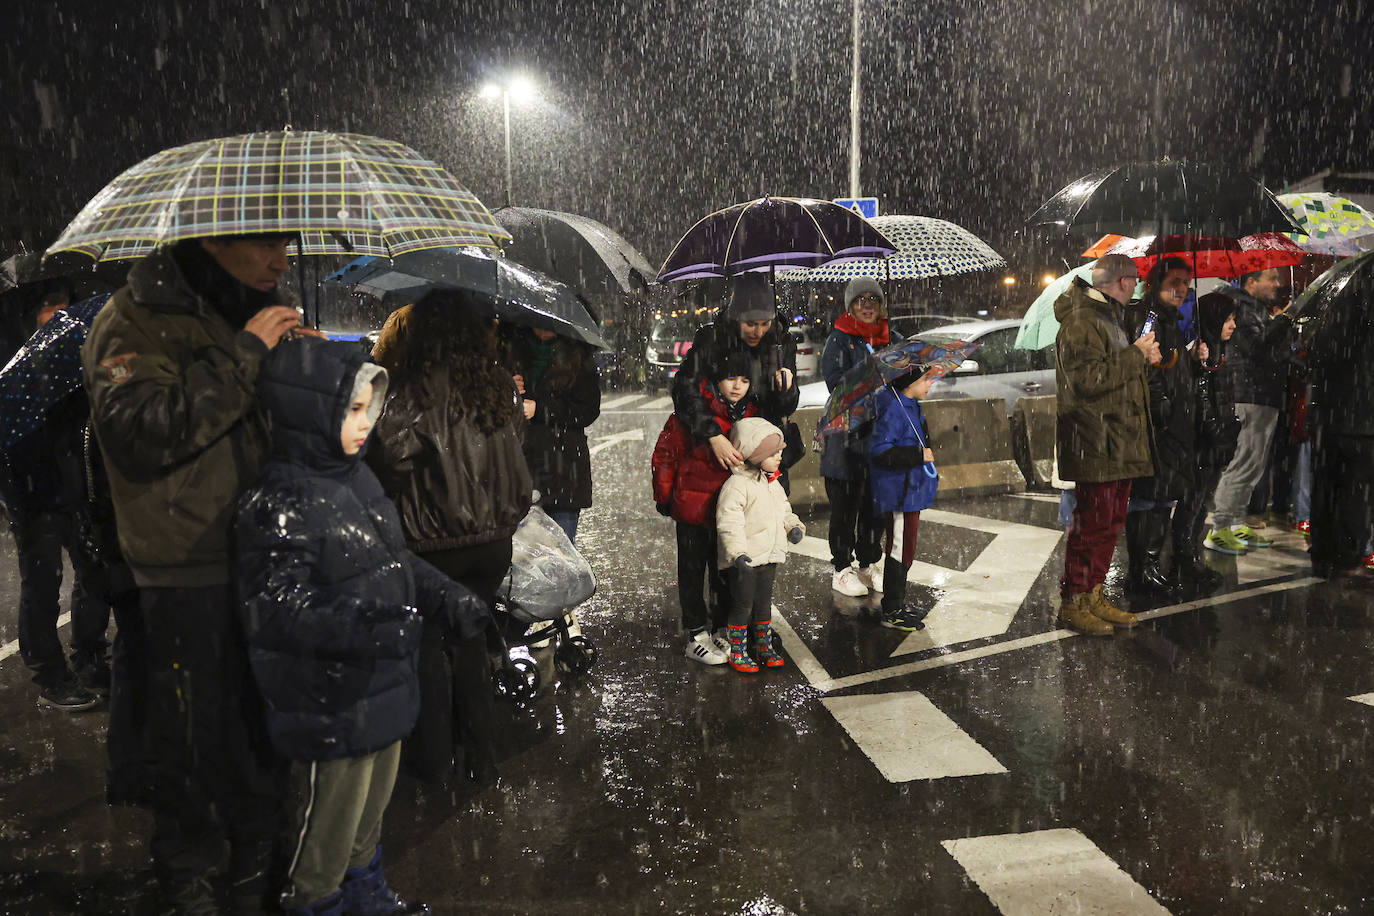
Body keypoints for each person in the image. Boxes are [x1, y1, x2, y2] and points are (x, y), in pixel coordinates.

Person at [82, 233, 311, 912]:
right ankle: (193, 877)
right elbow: (146, 429)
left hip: (262, 551)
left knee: (260, 731)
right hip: (185, 567)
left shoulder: (246, 308)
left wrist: (309, 370)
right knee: (191, 741)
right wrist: (247, 356)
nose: (282, 261)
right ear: (214, 236)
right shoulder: (132, 318)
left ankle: (263, 869)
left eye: (288, 245)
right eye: (267, 244)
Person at [234, 338, 457, 915]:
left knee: (364, 826)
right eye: (349, 410)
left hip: (378, 691)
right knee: (322, 847)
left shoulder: (356, 479)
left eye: (368, 409)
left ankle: (368, 897)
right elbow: (277, 608)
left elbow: (392, 560)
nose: (364, 425)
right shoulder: (281, 500)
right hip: (329, 704)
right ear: (308, 412)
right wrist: (370, 629)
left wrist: (444, 595)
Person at [369, 294, 532, 787]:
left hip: (433, 545)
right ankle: (482, 757)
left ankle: (436, 763)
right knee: (471, 645)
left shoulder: (416, 390)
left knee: (427, 649)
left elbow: (387, 459)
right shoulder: (496, 383)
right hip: (492, 545)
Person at [1, 283, 109, 710]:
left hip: (74, 484)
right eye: (51, 306)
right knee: (43, 582)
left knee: (92, 571)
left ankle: (89, 654)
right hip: (32, 489)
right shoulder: (17, 364)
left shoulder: (70, 357)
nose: (61, 312)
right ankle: (50, 673)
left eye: (66, 303)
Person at [1054, 253, 1161, 636]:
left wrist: (1142, 358)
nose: (1138, 287)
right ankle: (1074, 601)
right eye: (1135, 280)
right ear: (1122, 282)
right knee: (1092, 524)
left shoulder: (1108, 318)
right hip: (1095, 441)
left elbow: (1114, 376)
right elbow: (1088, 381)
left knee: (1109, 523)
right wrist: (1136, 355)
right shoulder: (1083, 321)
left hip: (1115, 441)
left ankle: (1093, 593)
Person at [652, 353, 757, 665]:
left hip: (728, 512)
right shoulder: (694, 411)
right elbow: (666, 455)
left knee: (725, 571)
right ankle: (696, 632)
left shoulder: (751, 414)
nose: (737, 386)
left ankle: (724, 626)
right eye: (730, 379)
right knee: (693, 571)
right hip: (693, 509)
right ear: (716, 380)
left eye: (745, 380)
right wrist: (666, 496)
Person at [503, 324, 601, 645]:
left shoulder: (579, 357)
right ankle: (533, 616)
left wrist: (540, 409)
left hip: (565, 466)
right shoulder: (512, 349)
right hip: (524, 461)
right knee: (526, 549)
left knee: (563, 550)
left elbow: (587, 411)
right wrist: (509, 385)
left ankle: (563, 617)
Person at [1205, 268, 1296, 555]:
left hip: (1263, 395)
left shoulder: (1255, 309)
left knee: (1254, 467)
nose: (1278, 284)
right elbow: (1256, 349)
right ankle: (1219, 529)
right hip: (1249, 395)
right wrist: (1282, 321)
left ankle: (1235, 524)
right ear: (1251, 282)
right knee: (1242, 465)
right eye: (1272, 278)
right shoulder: (1241, 308)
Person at [671, 274, 798, 474]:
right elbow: (685, 390)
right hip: (720, 449)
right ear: (736, 317)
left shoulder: (781, 343)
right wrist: (713, 434)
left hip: (765, 452)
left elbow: (785, 408)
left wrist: (787, 390)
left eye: (765, 323)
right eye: (751, 324)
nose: (758, 331)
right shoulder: (711, 340)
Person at [1122, 257, 1195, 597]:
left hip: (1173, 426)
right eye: (1174, 282)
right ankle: (1140, 571)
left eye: (1186, 283)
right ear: (1153, 282)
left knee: (1165, 497)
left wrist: (1193, 362)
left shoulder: (1170, 321)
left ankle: (1151, 566)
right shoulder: (1147, 318)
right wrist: (1162, 408)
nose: (1181, 289)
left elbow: (1168, 365)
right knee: (1147, 497)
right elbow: (1144, 369)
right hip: (1156, 426)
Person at [714, 417, 804, 673]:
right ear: (754, 454)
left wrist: (793, 526)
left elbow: (783, 510)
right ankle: (738, 649)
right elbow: (729, 522)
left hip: (769, 557)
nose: (778, 457)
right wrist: (738, 553)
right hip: (746, 560)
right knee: (743, 604)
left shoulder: (771, 483)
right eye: (772, 453)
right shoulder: (737, 486)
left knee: (764, 603)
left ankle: (763, 645)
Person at [820, 277, 892, 598]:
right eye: (860, 300)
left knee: (874, 506)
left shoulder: (890, 338)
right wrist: (870, 372)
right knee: (845, 506)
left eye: (873, 300)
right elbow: (836, 381)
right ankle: (841, 568)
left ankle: (867, 562)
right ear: (850, 305)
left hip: (878, 436)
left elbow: (908, 372)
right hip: (844, 434)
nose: (867, 305)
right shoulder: (840, 339)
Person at [1305, 265, 1374, 584]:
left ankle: (1324, 553)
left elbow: (1320, 353)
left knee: (1328, 484)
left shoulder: (1342, 294)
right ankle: (1346, 558)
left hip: (1331, 412)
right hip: (1362, 416)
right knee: (1355, 491)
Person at [1171, 294, 1239, 591]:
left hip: (1215, 442)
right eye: (1227, 319)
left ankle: (1192, 558)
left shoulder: (1220, 351)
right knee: (1192, 503)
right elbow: (1197, 400)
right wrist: (1195, 364)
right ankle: (1184, 561)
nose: (1233, 325)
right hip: (1201, 443)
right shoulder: (1199, 353)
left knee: (1201, 505)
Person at [868, 367, 940, 632]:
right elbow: (880, 451)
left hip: (910, 490)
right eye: (925, 379)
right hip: (898, 493)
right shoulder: (893, 409)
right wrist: (916, 455)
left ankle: (899, 601)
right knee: (898, 548)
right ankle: (892, 608)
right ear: (909, 383)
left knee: (907, 546)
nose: (930, 383)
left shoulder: (911, 406)